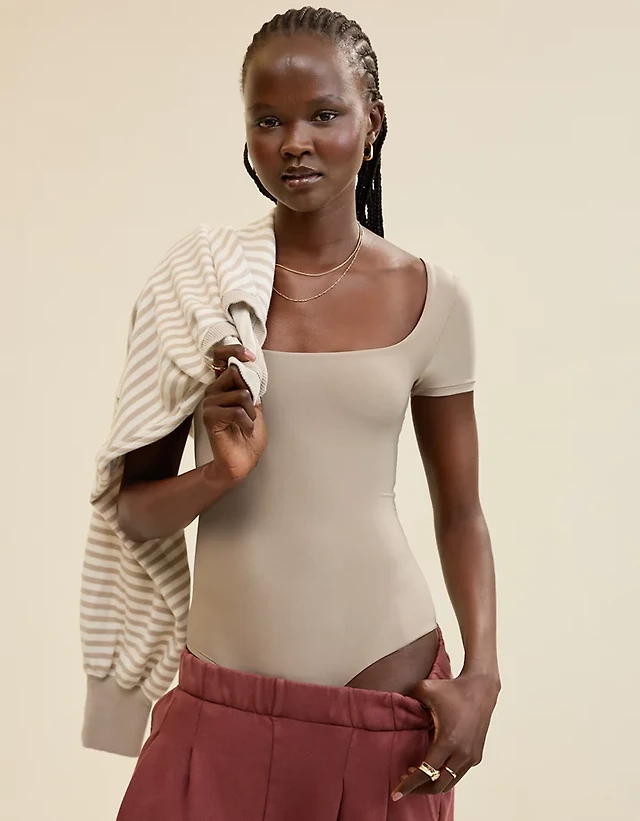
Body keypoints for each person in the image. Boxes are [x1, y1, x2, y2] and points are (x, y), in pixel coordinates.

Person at [112, 6, 500, 819]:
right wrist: (219, 474)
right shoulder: (199, 295)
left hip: (385, 700)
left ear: (373, 122)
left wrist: (482, 674)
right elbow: (134, 514)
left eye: (324, 114)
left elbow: (461, 510)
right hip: (220, 707)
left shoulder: (434, 299)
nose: (295, 142)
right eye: (269, 120)